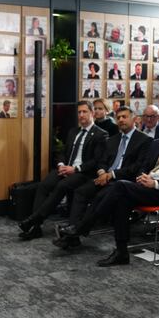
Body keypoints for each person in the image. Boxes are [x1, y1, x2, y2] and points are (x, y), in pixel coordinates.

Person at [54, 108, 159, 265]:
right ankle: (121, 252)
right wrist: (144, 177)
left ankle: (81, 227)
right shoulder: (157, 144)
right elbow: (143, 166)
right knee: (122, 199)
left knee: (120, 187)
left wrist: (155, 183)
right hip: (146, 187)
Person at [57, 106, 152, 240]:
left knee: (100, 196)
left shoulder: (145, 140)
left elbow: (137, 167)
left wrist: (111, 175)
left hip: (124, 181)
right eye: (118, 118)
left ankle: (74, 233)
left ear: (134, 119)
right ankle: (73, 232)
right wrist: (102, 173)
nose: (121, 120)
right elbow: (102, 161)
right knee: (81, 191)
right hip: (104, 177)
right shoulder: (113, 139)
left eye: (124, 117)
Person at [17, 102, 107, 240]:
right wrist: (61, 164)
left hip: (82, 173)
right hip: (65, 168)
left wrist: (75, 168)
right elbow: (63, 151)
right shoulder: (73, 131)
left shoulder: (100, 134)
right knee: (44, 185)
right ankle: (36, 228)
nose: (81, 115)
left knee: (62, 185)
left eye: (84, 112)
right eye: (79, 112)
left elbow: (96, 160)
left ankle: (34, 219)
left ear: (92, 113)